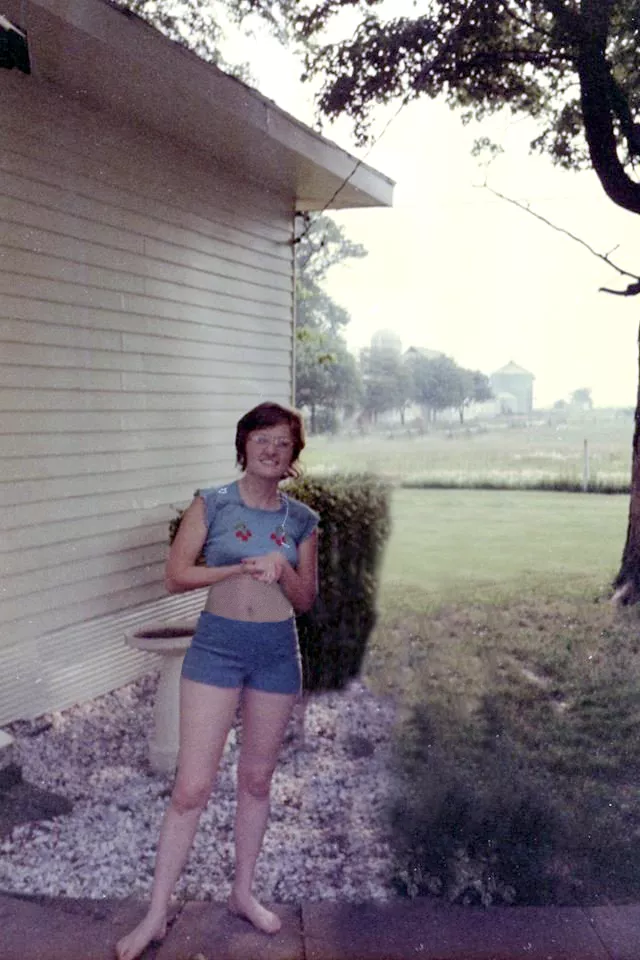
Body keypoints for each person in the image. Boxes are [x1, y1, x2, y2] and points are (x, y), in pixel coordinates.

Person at [116, 401, 319, 960]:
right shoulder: (212, 503)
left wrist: (286, 571)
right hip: (218, 648)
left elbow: (306, 600)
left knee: (256, 782)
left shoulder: (301, 520)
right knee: (191, 788)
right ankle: (156, 914)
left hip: (276, 655)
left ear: (292, 456)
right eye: (262, 439)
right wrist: (238, 566)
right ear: (244, 444)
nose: (271, 450)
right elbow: (176, 576)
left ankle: (242, 894)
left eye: (283, 443)